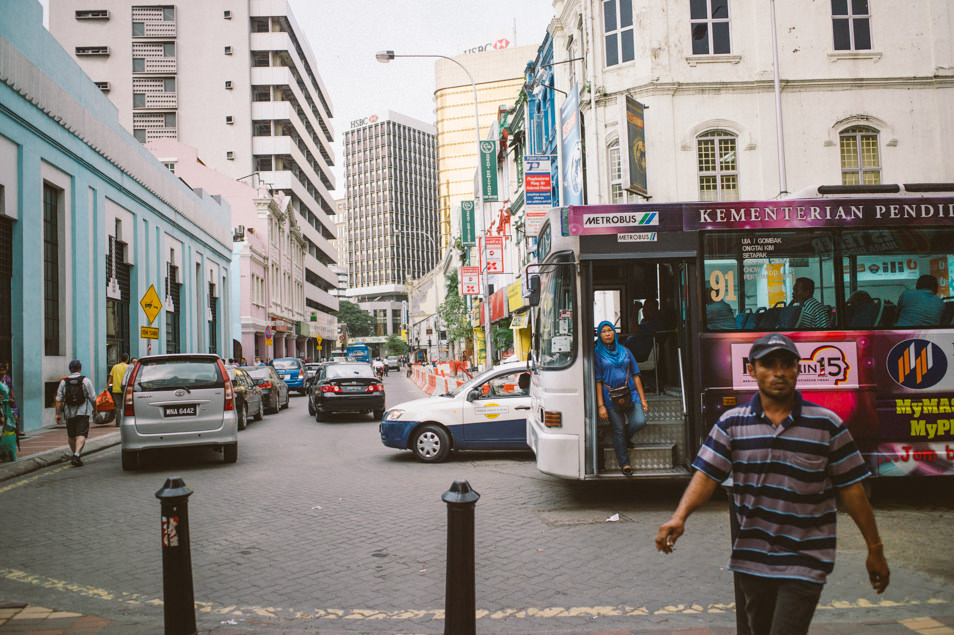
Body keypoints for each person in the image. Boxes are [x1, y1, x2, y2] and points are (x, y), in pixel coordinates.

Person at [655, 334, 889, 634]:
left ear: (798, 369)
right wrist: (680, 516)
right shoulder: (732, 424)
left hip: (806, 561)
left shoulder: (826, 425)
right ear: (751, 370)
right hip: (752, 561)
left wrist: (875, 548)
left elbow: (852, 489)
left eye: (787, 364)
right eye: (768, 364)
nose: (779, 373)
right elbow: (707, 476)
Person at [594, 321, 649, 476]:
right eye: (603, 331)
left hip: (630, 393)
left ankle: (624, 438)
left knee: (639, 422)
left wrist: (643, 399)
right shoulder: (597, 354)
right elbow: (598, 381)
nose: (607, 333)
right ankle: (624, 464)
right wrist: (600, 406)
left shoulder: (625, 351)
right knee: (618, 429)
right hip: (609, 396)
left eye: (610, 330)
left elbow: (636, 375)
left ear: (614, 332)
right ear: (600, 335)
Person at [55, 359, 97, 467]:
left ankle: (75, 454)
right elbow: (93, 398)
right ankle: (77, 455)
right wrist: (95, 409)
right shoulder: (86, 381)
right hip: (82, 412)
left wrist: (58, 414)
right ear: (80, 368)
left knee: (71, 435)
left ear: (70, 369)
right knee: (81, 434)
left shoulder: (64, 382)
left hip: (69, 413)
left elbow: (59, 399)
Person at [107, 353, 129, 427]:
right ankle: (126, 421)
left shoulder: (115, 367)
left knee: (117, 406)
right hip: (126, 389)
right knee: (126, 406)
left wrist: (107, 386)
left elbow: (110, 377)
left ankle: (118, 422)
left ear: (120, 359)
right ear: (127, 360)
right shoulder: (129, 367)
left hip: (116, 389)